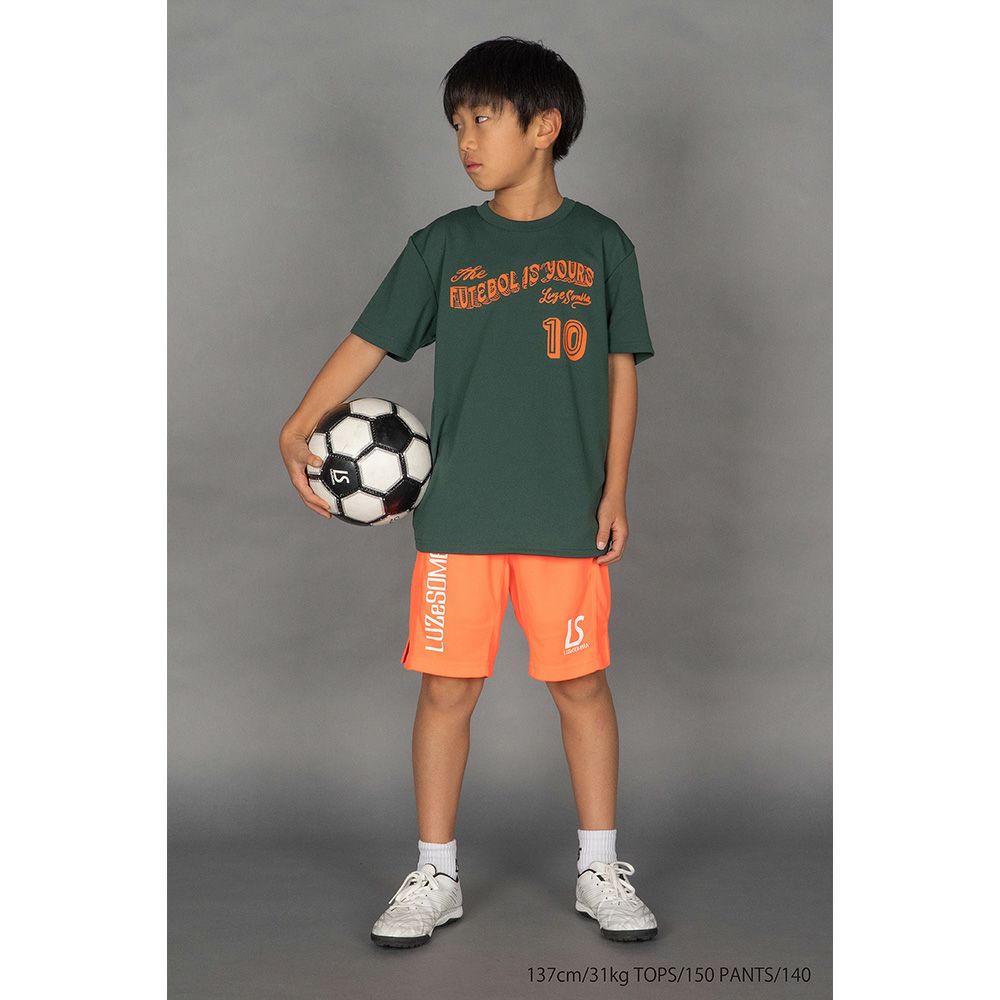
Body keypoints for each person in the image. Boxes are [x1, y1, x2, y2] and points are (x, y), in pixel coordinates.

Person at [279, 36, 657, 948]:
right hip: (460, 515)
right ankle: (435, 874)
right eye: (457, 124)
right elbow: (369, 341)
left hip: (565, 511)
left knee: (582, 684)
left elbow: (620, 372)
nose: (465, 141)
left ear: (545, 126)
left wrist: (614, 489)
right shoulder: (445, 244)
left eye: (482, 119)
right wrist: (298, 425)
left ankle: (599, 868)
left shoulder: (602, 243)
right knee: (447, 688)